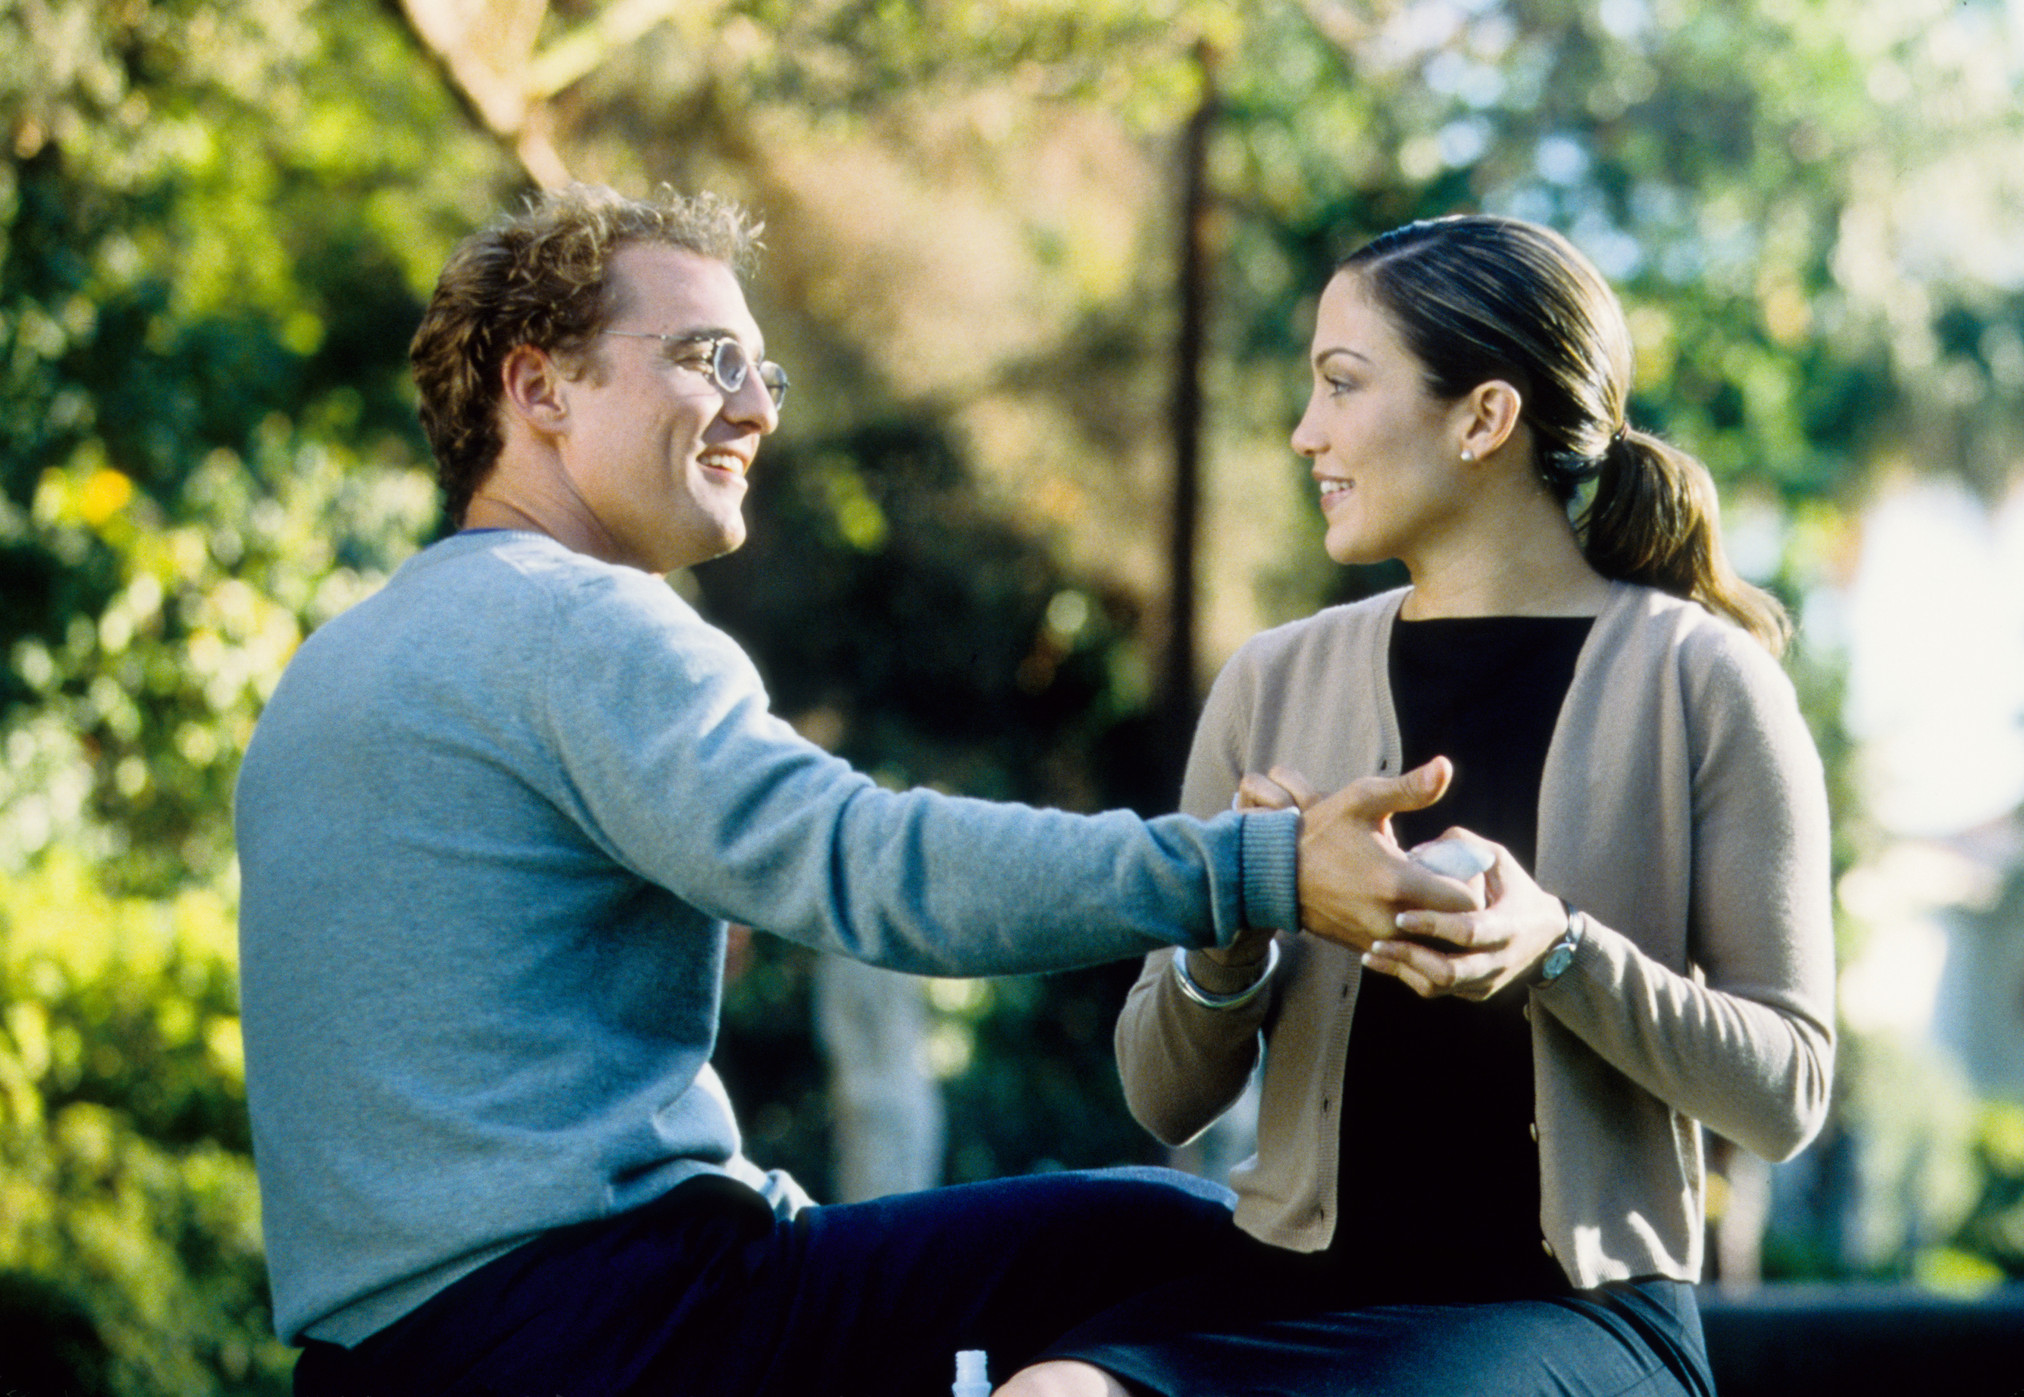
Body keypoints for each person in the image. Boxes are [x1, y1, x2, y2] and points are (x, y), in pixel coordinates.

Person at [232, 184, 1485, 1397]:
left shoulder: (332, 665)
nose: (755, 411)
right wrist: (1252, 868)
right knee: (1196, 1244)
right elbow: (873, 869)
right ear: (538, 386)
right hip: (608, 1320)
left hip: (379, 1354)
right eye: (708, 358)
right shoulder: (582, 619)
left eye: (762, 373)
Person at [1004, 214, 1836, 1396]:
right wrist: (1237, 930)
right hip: (1281, 1285)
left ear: (1482, 420)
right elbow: (1161, 1093)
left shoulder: (1702, 682)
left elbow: (1787, 1087)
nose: (1305, 434)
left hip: (1575, 1311)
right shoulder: (1269, 681)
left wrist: (1558, 950)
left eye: (1341, 384)